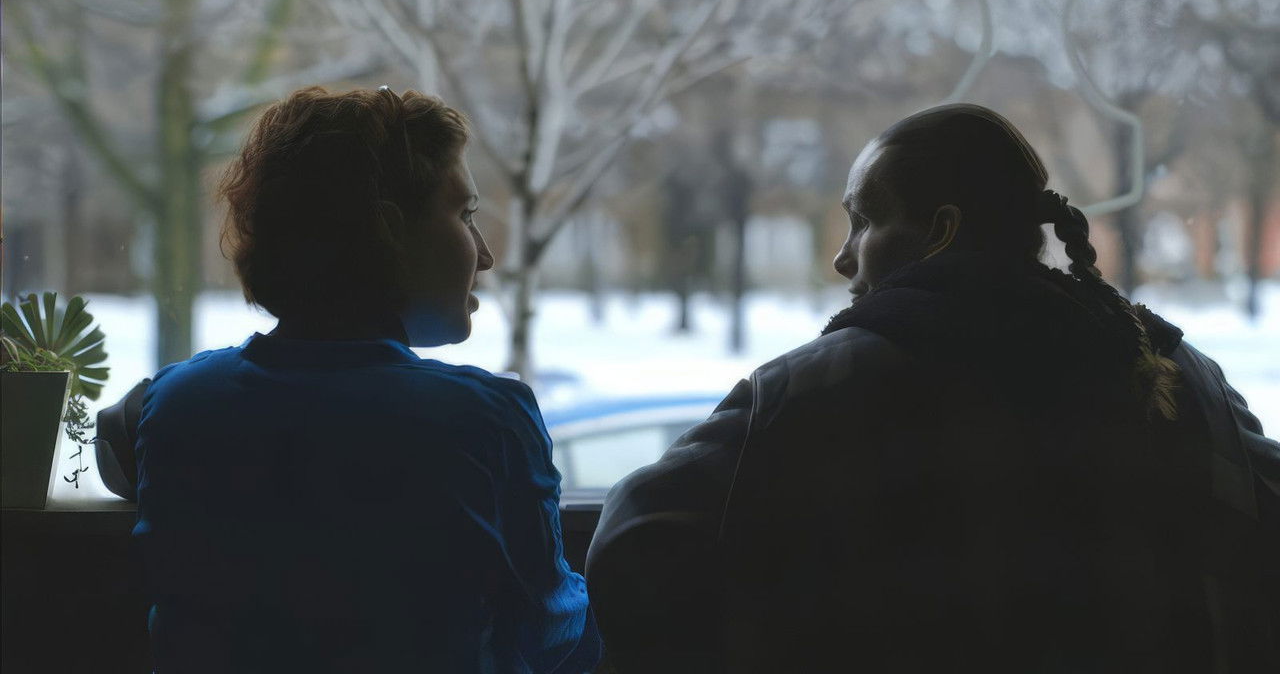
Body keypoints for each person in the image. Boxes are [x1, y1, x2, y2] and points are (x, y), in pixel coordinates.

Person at [586, 103, 1280, 673]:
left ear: (941, 232)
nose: (843, 257)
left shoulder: (811, 390)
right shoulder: (1180, 374)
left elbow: (634, 546)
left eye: (863, 221)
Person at [133, 86, 600, 673]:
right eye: (464, 216)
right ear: (388, 232)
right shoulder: (483, 418)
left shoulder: (178, 402)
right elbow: (552, 631)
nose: (484, 256)